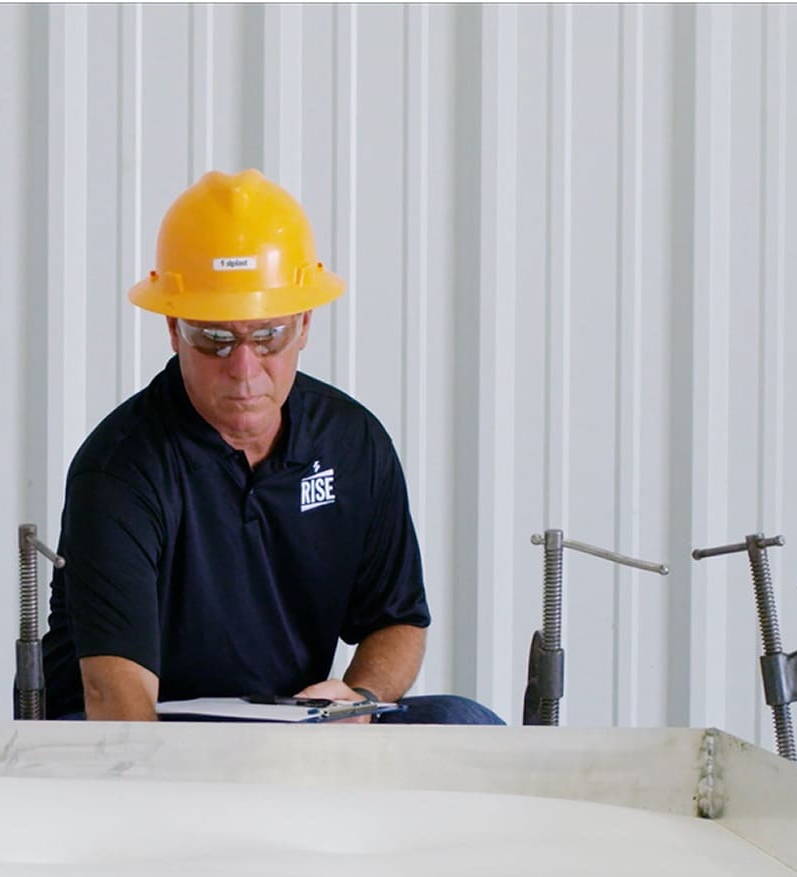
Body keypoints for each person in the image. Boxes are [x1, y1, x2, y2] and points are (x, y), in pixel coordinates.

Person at [42, 169, 501, 726]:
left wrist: (357, 699)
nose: (243, 368)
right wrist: (180, 780)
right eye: (214, 339)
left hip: (289, 724)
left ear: (303, 325)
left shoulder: (352, 444)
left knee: (462, 721)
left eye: (267, 337)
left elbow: (397, 621)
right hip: (139, 730)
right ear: (174, 329)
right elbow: (115, 700)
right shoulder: (121, 471)